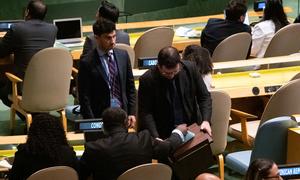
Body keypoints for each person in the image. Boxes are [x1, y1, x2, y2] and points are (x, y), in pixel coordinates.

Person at [79, 107, 186, 180]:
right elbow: (167, 147)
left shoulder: (93, 148)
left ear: (104, 128)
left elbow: (80, 174)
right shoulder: (143, 139)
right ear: (127, 124)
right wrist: (178, 132)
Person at [138, 46, 212, 139]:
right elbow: (146, 112)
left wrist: (206, 120)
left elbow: (204, 97)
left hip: (191, 127)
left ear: (180, 63)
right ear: (159, 66)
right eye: (167, 73)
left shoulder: (190, 68)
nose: (171, 76)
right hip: (164, 132)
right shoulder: (147, 79)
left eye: (175, 72)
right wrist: (156, 137)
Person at [78, 18, 136, 127]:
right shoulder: (87, 62)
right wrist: (91, 122)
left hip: (122, 113)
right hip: (100, 116)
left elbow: (130, 87)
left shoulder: (123, 55)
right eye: (108, 38)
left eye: (114, 36)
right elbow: (84, 97)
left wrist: (132, 112)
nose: (113, 41)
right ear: (97, 38)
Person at [0, 0, 57, 107]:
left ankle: (31, 118)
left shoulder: (17, 28)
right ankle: (35, 116)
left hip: (23, 87)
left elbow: (1, 52)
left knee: (2, 88)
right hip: (46, 85)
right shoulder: (52, 29)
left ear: (27, 12)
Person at [9, 114, 78, 180]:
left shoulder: (24, 153)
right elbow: (78, 175)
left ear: (32, 132)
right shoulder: (68, 153)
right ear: (60, 131)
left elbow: (14, 178)